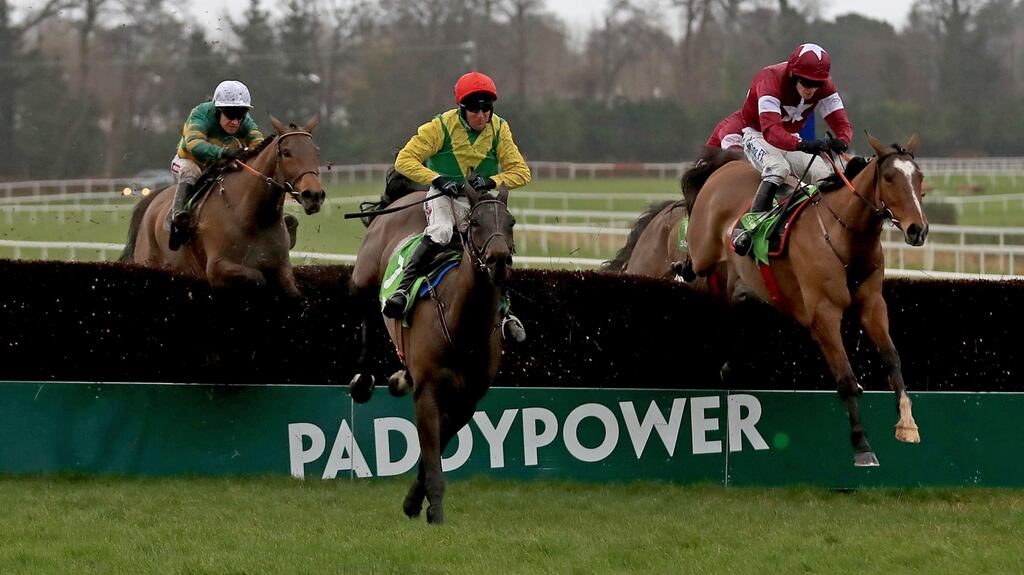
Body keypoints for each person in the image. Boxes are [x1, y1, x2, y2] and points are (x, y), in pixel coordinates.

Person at [385, 71, 532, 342]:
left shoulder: (499, 129)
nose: (482, 115)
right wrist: (438, 180)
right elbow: (404, 161)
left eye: (487, 108)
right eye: (475, 109)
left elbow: (522, 172)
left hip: (478, 200)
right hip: (443, 197)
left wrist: (491, 179)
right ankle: (403, 290)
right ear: (462, 109)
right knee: (441, 231)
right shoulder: (440, 127)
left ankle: (507, 311)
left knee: (493, 244)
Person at [713, 43, 853, 255]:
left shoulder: (825, 87)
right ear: (793, 74)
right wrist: (804, 145)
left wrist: (842, 140)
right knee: (778, 168)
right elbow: (771, 131)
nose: (811, 89)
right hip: (758, 135)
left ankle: (826, 231)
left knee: (824, 174)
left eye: (817, 83)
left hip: (790, 138)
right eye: (806, 82)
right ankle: (747, 228)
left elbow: (842, 124)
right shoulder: (769, 79)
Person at [167, 80, 265, 250]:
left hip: (220, 166)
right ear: (218, 110)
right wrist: (225, 153)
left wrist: (251, 151)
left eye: (240, 115)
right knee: (190, 170)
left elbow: (260, 144)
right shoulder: (200, 113)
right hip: (190, 161)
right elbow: (194, 143)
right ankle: (177, 215)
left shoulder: (245, 121)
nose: (235, 121)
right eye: (230, 114)